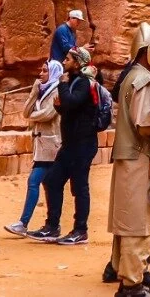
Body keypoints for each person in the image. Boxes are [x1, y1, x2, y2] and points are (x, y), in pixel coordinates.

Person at [109, 24, 150, 296]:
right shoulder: (144, 79)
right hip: (139, 157)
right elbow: (146, 123)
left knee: (128, 221)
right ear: (147, 51)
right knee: (138, 223)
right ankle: (131, 284)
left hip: (130, 157)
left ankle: (128, 274)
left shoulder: (131, 76)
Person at [30, 46, 100, 245]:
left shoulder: (83, 82)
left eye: (68, 59)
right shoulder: (75, 81)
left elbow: (71, 102)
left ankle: (80, 230)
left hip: (83, 144)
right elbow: (70, 109)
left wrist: (61, 85)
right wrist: (59, 105)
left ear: (77, 63)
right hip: (70, 143)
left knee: (79, 186)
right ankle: (52, 226)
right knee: (52, 180)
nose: (64, 62)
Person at [7, 60, 63, 236]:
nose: (41, 74)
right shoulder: (41, 90)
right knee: (47, 185)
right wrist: (34, 91)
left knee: (35, 182)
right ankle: (50, 224)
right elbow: (25, 112)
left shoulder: (58, 90)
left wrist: (32, 116)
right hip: (40, 146)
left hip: (51, 145)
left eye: (45, 71)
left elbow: (48, 114)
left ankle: (26, 223)